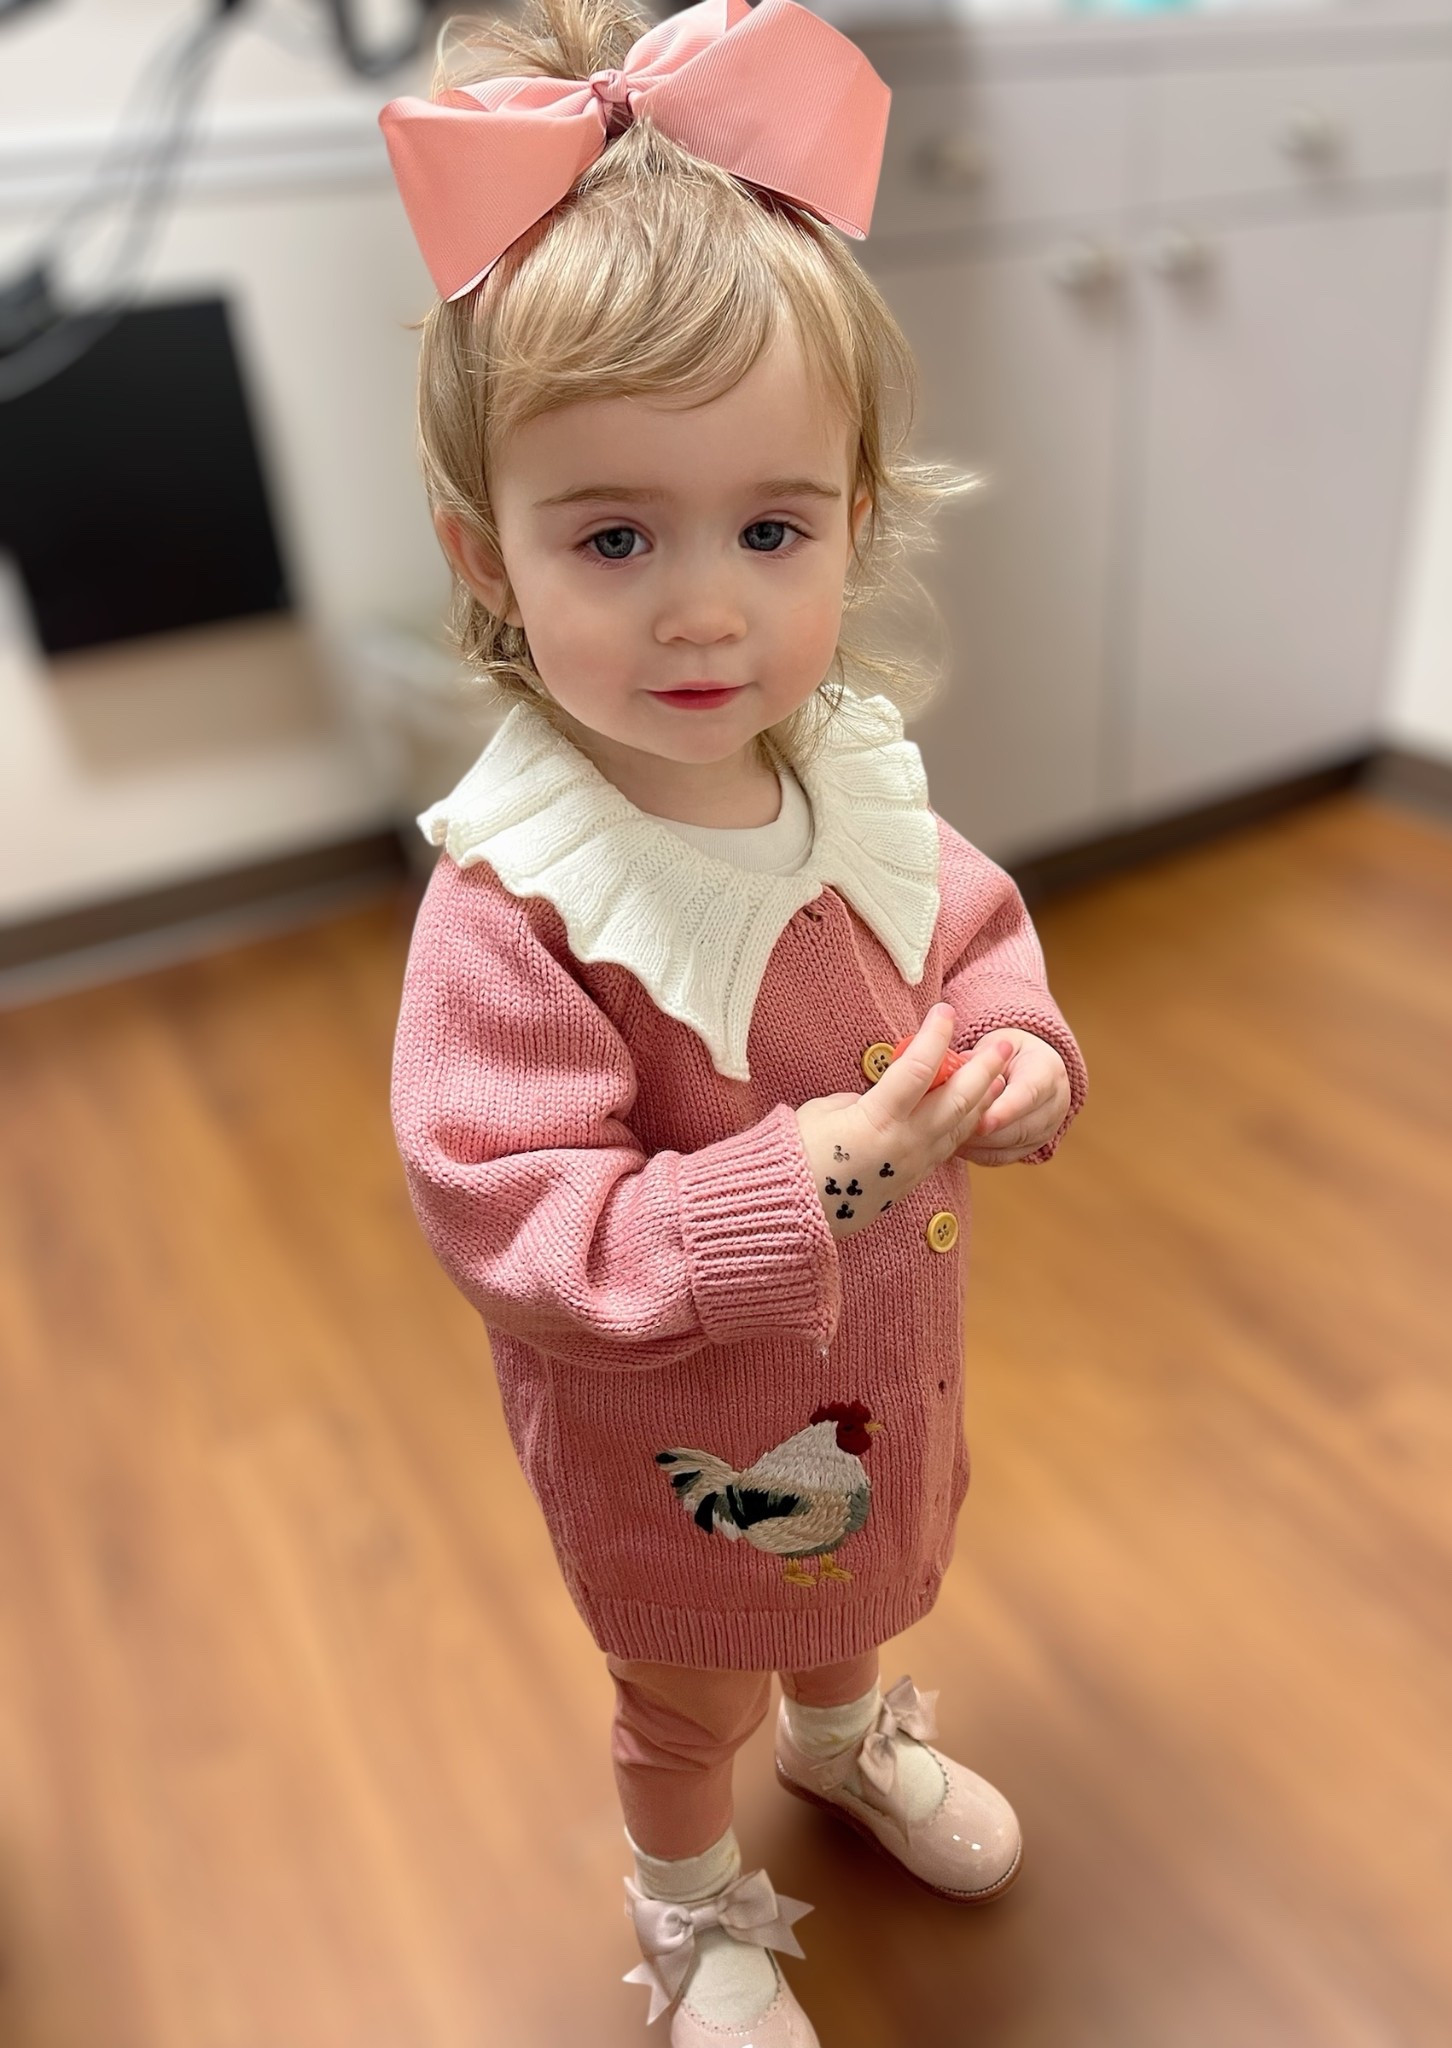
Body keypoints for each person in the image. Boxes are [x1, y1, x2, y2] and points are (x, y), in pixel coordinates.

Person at [381, 1, 1089, 2040]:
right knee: (688, 1682)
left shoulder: (850, 778)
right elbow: (513, 1214)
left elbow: (978, 939)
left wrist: (1020, 1056)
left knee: (854, 1598)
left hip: (880, 1382)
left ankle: (848, 1740)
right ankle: (688, 1888)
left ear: (855, 520)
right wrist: (811, 1176)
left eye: (771, 528)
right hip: (672, 1443)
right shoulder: (521, 895)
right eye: (615, 536)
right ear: (486, 559)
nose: (706, 606)